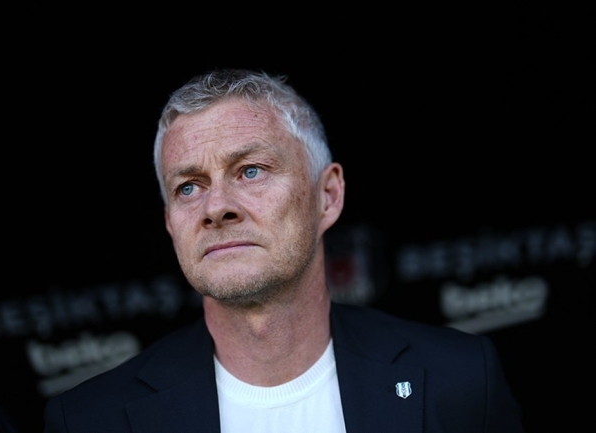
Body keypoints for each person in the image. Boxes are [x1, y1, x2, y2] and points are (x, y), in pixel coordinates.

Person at [42, 68, 525, 432]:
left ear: (327, 196)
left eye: (251, 170)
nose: (216, 207)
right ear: (170, 222)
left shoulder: (460, 379)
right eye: (188, 187)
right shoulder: (89, 420)